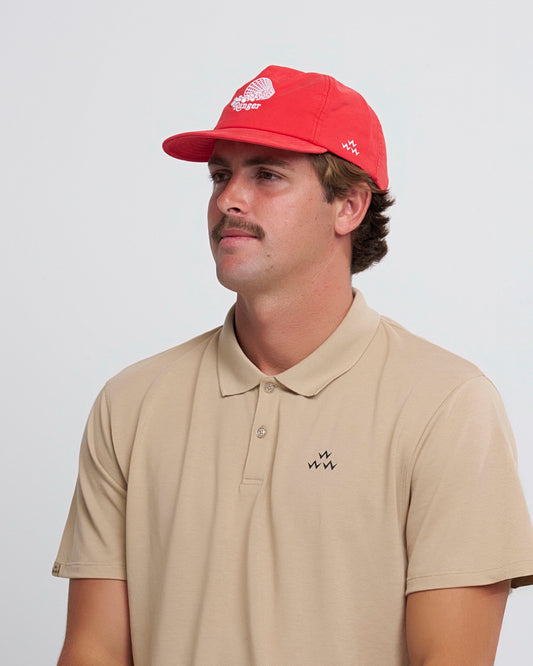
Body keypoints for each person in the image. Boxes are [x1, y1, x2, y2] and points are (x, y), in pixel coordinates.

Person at [53, 65, 533, 665]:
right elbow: (93, 650)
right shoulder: (131, 403)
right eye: (221, 175)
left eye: (267, 175)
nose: (228, 199)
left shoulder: (447, 406)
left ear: (349, 206)